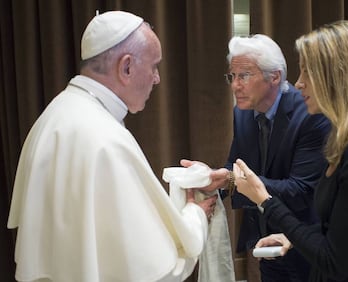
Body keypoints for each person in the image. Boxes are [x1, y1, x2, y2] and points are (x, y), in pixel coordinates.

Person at [7, 11, 217, 282]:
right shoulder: (104, 139)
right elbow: (159, 272)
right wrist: (195, 217)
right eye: (154, 66)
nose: (157, 79)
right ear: (126, 67)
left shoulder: (53, 115)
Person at [233, 20, 348, 282]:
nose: (298, 83)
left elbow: (334, 260)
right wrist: (293, 236)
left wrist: (265, 201)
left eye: (308, 72)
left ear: (339, 76)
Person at [181, 34, 330, 281]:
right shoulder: (242, 114)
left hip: (307, 244)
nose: (235, 85)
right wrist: (212, 178)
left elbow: (303, 188)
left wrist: (232, 179)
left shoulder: (311, 113)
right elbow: (236, 167)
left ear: (275, 76)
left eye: (244, 76)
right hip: (266, 242)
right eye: (232, 76)